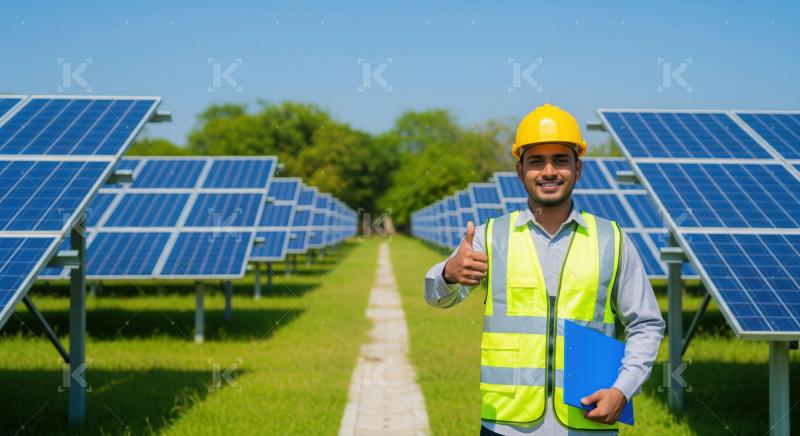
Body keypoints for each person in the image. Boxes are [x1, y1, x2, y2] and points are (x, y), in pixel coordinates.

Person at [423, 104, 665, 435]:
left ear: (578, 169)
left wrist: (622, 390)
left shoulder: (613, 239)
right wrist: (449, 273)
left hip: (587, 422)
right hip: (506, 425)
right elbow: (436, 297)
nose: (549, 171)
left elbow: (647, 324)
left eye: (561, 160)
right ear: (519, 170)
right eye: (536, 161)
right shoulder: (490, 236)